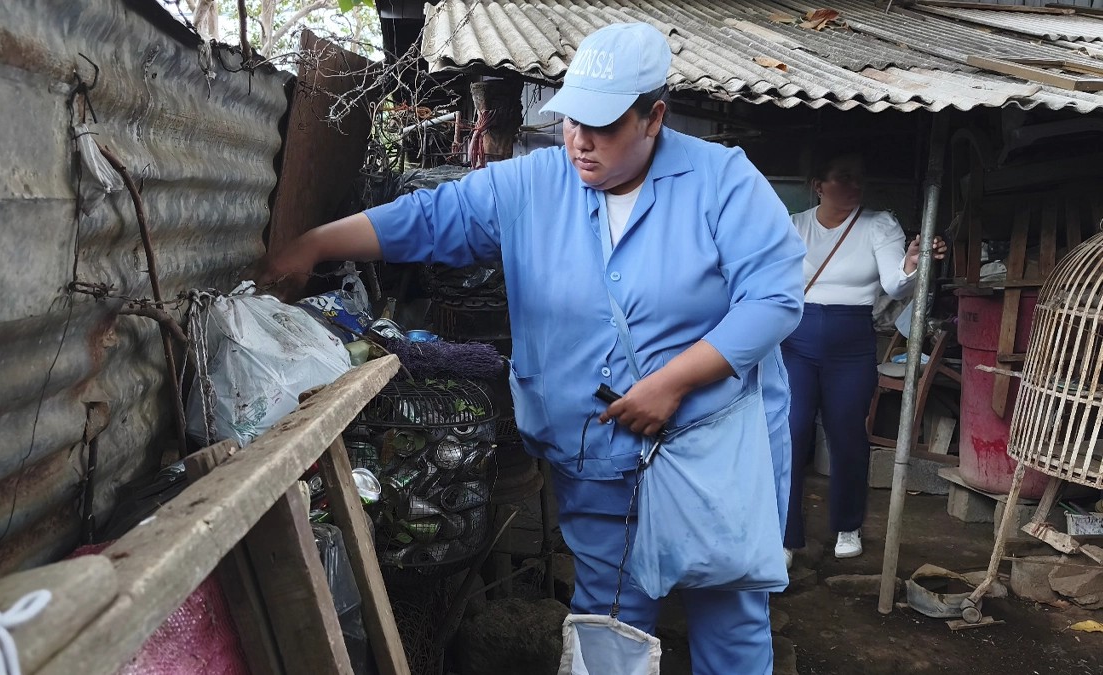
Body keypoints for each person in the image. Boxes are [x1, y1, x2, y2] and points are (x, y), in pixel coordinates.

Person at [253, 23, 804, 675]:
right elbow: (432, 218)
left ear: (654, 117)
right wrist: (314, 243)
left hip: (707, 455)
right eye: (573, 120)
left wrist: (673, 382)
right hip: (593, 452)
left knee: (729, 618)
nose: (580, 140)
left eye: (603, 125)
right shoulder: (537, 183)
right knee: (607, 621)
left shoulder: (723, 182)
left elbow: (773, 299)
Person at [782, 151, 947, 563]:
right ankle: (784, 536)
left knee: (847, 435)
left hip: (852, 343)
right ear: (819, 185)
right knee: (790, 433)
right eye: (843, 177)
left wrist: (912, 264)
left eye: (858, 178)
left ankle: (847, 525)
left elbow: (895, 285)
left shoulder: (879, 224)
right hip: (796, 344)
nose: (854, 186)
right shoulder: (794, 226)